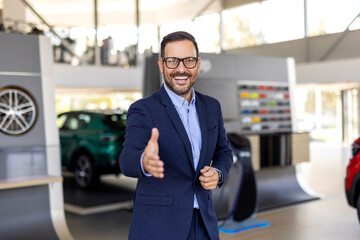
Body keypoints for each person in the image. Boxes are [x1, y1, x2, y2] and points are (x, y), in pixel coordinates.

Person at [119, 31, 233, 240]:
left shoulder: (212, 107)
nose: (181, 69)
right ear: (161, 65)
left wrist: (218, 173)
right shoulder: (143, 109)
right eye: (172, 61)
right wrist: (144, 161)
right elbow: (127, 160)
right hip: (160, 227)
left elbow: (224, 151)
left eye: (188, 61)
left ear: (198, 64)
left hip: (204, 224)